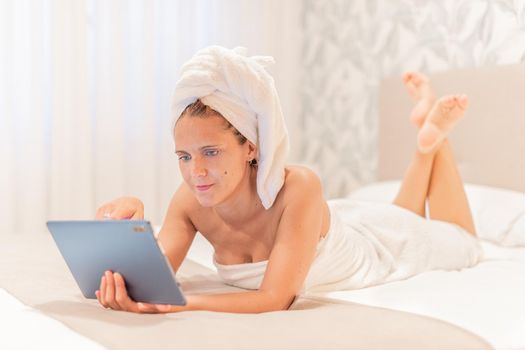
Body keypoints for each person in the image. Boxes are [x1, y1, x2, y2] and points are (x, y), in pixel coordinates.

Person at [94, 46, 481, 314]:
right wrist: (132, 230)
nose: (195, 172)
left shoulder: (300, 185)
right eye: (184, 156)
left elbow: (276, 297)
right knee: (400, 214)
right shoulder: (190, 201)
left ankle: (434, 138)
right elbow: (153, 280)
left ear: (251, 147)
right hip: (356, 222)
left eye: (210, 152)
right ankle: (426, 138)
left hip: (376, 249)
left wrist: (181, 302)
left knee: (463, 240)